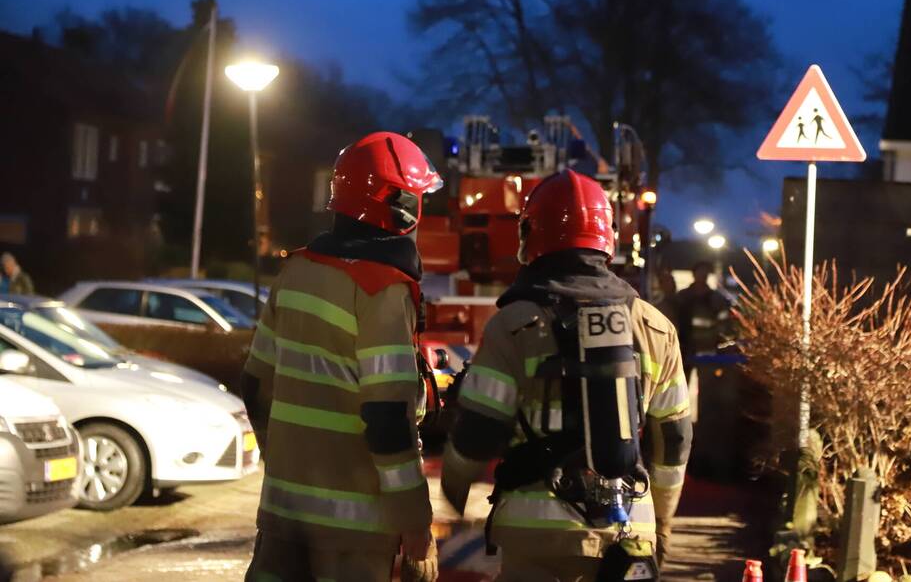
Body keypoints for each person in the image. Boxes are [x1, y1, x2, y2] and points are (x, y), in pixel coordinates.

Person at [441, 170, 692, 581]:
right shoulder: (656, 327)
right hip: (628, 534)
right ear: (607, 235)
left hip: (535, 535)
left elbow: (480, 429)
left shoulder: (515, 324)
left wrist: (455, 489)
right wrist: (659, 524)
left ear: (529, 234)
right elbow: (676, 440)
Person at [241, 132, 442, 582]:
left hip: (281, 517)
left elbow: (254, 386)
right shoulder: (382, 290)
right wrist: (415, 523)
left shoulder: (294, 271)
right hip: (354, 536)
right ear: (398, 204)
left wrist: (286, 463)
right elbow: (388, 420)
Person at [672, 261, 731, 368]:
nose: (702, 276)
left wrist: (719, 341)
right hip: (683, 347)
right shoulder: (682, 296)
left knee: (706, 382)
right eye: (700, 272)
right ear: (693, 274)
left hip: (707, 348)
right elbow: (674, 319)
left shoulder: (717, 299)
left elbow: (724, 322)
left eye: (705, 273)